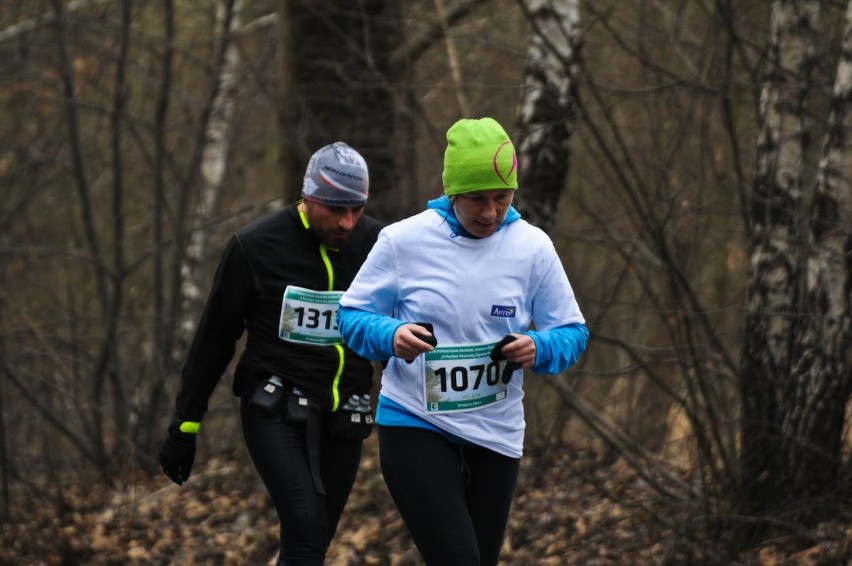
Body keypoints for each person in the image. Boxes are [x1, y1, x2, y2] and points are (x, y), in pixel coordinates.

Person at [337, 117, 589, 565]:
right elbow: (351, 317)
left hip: (496, 435)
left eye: (502, 197)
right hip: (414, 422)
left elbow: (572, 332)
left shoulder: (533, 248)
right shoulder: (403, 241)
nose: (490, 212)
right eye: (477, 198)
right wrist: (391, 333)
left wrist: (541, 347)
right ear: (452, 191)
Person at [158, 141, 383, 566]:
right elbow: (213, 340)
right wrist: (184, 425)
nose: (347, 222)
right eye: (335, 209)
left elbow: (402, 329)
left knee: (313, 540)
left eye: (356, 209)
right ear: (308, 197)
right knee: (303, 520)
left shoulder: (377, 244)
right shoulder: (256, 246)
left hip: (344, 412)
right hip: (275, 406)